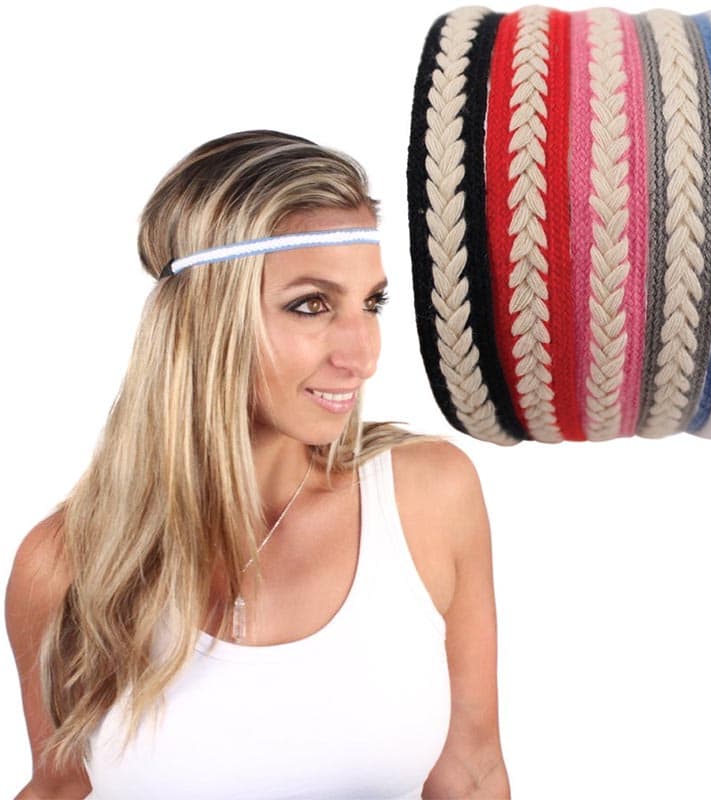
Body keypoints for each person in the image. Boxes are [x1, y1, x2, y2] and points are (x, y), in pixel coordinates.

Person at [6, 130, 511, 799]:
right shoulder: (68, 566)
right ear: (206, 320)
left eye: (371, 303)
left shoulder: (428, 498)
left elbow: (472, 773)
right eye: (311, 305)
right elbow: (61, 788)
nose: (362, 355)